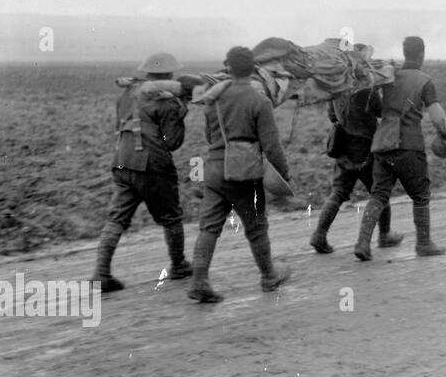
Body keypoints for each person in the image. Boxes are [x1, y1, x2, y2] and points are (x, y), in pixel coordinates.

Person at [188, 46, 292, 304]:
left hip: (214, 170)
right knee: (256, 227)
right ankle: (269, 276)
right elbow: (272, 146)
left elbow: (209, 137)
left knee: (209, 227)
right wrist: (285, 174)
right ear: (254, 68)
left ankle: (199, 281)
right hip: (244, 172)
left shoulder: (213, 99)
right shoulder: (260, 101)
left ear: (228, 68)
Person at [91, 52, 195, 292]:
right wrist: (182, 109)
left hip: (123, 160)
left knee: (116, 218)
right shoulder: (166, 100)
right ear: (169, 75)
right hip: (152, 166)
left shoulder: (128, 92)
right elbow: (172, 142)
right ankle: (178, 265)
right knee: (171, 216)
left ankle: (101, 272)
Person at [354, 36, 446, 260]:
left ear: (405, 52)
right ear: (421, 54)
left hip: (382, 144)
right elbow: (437, 117)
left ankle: (362, 242)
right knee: (420, 195)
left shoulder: (390, 74)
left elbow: (375, 104)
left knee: (378, 194)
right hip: (409, 145)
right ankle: (424, 243)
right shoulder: (424, 80)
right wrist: (444, 134)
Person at [309, 86, 404, 254]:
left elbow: (332, 116)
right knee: (380, 191)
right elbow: (382, 111)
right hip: (367, 148)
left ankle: (319, 235)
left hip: (343, 146)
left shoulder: (336, 86)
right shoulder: (368, 88)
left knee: (338, 192)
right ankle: (384, 235)